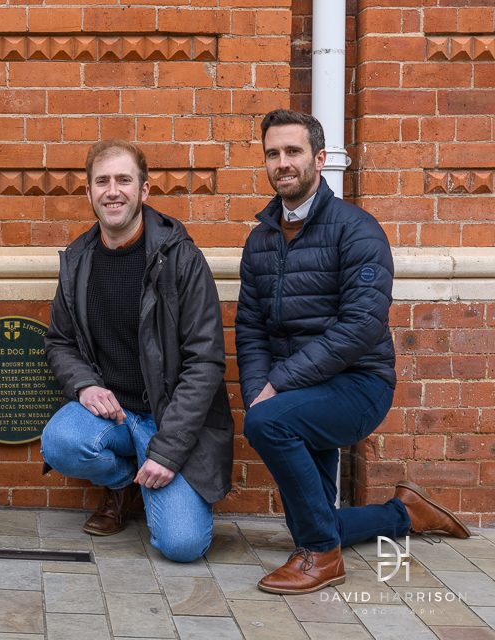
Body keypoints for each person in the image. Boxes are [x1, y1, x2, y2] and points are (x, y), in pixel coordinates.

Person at [236, 109, 472, 595]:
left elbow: (361, 327)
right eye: (273, 153)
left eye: (293, 152)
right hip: (299, 389)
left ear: (319, 159)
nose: (282, 163)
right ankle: (405, 513)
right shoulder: (259, 240)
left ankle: (322, 559)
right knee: (310, 516)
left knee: (267, 425)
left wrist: (276, 389)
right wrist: (258, 388)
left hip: (358, 384)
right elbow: (250, 328)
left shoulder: (356, 229)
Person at [41, 139, 234, 562]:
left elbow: (205, 363)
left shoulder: (181, 259)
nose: (113, 191)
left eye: (124, 180)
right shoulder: (78, 260)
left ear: (144, 191)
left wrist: (166, 453)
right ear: (89, 192)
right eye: (102, 181)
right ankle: (123, 482)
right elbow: (60, 341)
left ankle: (153, 484)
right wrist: (84, 384)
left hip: (169, 420)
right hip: (114, 415)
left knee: (183, 546)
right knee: (60, 443)